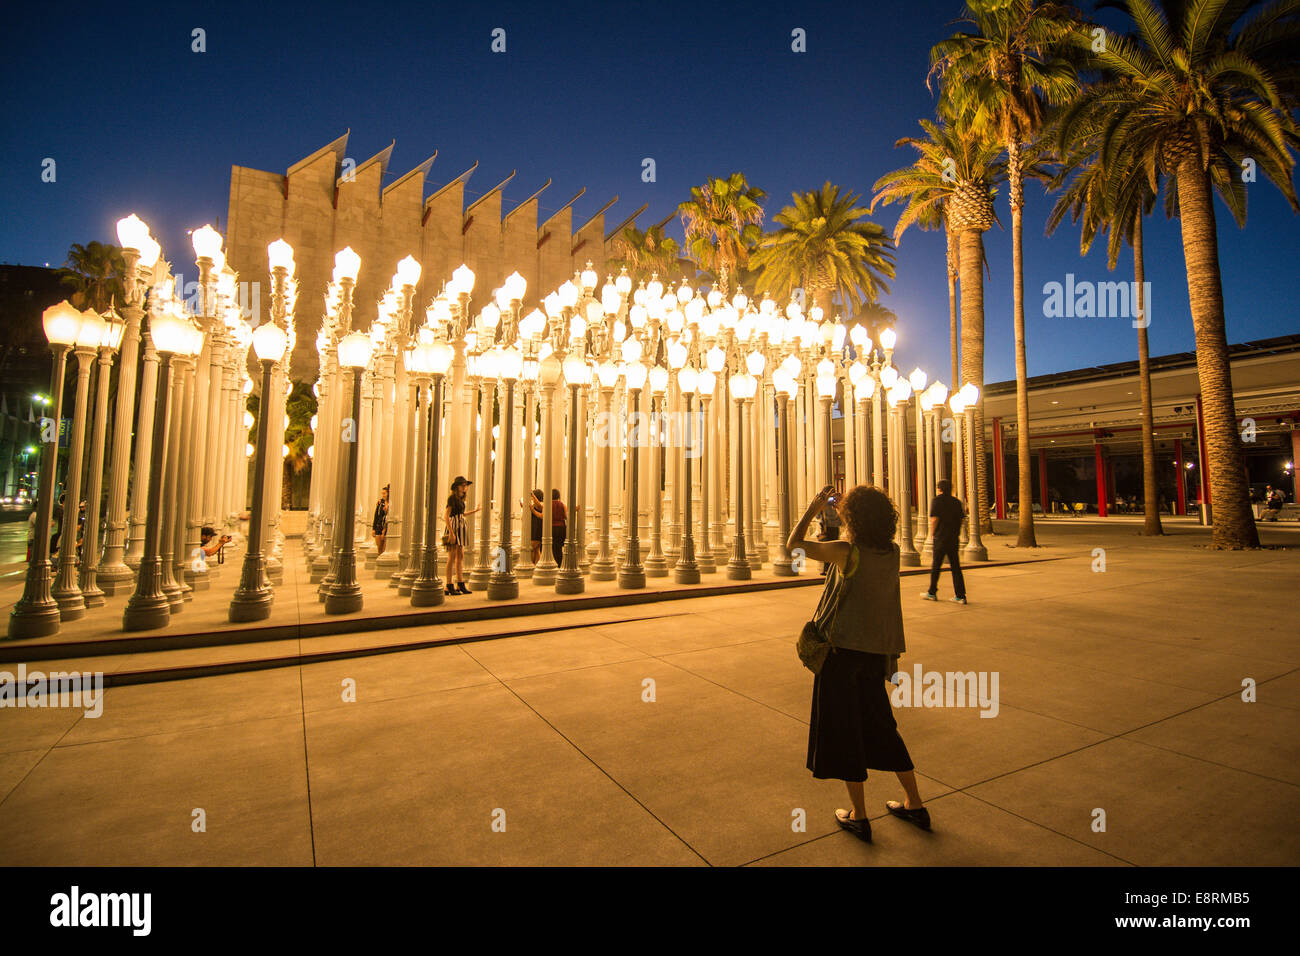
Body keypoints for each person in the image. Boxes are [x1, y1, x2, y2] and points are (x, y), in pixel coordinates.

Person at [787, 484, 930, 843]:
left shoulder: (846, 551)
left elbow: (794, 545)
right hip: (873, 656)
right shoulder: (892, 552)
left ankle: (859, 815)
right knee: (883, 727)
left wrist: (814, 507)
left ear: (851, 518)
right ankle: (915, 802)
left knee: (843, 732)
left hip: (840, 656)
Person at [922, 478, 967, 605]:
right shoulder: (956, 502)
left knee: (936, 565)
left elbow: (934, 519)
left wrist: (931, 533)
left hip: (941, 537)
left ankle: (932, 592)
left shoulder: (937, 501)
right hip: (953, 538)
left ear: (939, 489)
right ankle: (960, 595)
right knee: (955, 567)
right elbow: (961, 519)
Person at [443, 476, 479, 595]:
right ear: (457, 487)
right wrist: (451, 533)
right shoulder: (452, 498)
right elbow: (446, 516)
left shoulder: (461, 499)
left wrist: (475, 511)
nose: (465, 487)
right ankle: (448, 584)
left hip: (461, 526)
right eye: (463, 485)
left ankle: (460, 583)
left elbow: (462, 514)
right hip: (454, 527)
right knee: (452, 557)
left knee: (460, 556)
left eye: (465, 485)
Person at [524, 489, 545, 564]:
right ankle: (535, 565)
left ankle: (532, 565)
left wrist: (532, 495)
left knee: (532, 548)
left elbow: (539, 506)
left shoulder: (540, 505)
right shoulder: (534, 505)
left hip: (536, 529)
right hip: (534, 528)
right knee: (536, 550)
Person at [550, 488, 567, 565]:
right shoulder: (562, 504)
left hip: (551, 528)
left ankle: (554, 563)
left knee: (552, 547)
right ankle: (560, 564)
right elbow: (566, 516)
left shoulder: (548, 504)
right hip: (561, 528)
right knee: (559, 548)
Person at [372, 485, 390, 555]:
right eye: (382, 493)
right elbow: (376, 516)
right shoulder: (380, 503)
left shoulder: (391, 503)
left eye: (384, 493)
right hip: (379, 527)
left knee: (384, 548)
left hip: (387, 527)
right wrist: (373, 528)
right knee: (379, 547)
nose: (383, 495)